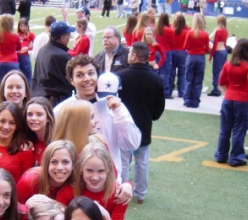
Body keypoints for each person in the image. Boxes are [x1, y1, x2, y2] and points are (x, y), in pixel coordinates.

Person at [54, 54, 141, 184]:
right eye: (80, 75)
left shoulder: (115, 106)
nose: (87, 79)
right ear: (71, 80)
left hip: (108, 180)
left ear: (97, 76)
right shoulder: (61, 110)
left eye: (91, 73)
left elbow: (132, 144)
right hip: (74, 181)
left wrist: (119, 112)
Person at [117, 42, 165, 204]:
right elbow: (159, 109)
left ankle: (121, 190)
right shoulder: (156, 79)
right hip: (144, 126)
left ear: (134, 56)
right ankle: (140, 194)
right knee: (142, 163)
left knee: (123, 162)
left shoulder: (121, 77)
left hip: (123, 127)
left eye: (130, 53)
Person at [56, 142, 128, 220]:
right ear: (81, 168)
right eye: (89, 170)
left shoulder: (119, 194)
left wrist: (105, 216)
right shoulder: (68, 191)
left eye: (101, 171)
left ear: (108, 169)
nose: (95, 177)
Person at [214, 39, 248, 167]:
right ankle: (236, 158)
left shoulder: (228, 64)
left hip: (228, 99)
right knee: (239, 130)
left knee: (225, 130)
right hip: (242, 100)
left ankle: (221, 155)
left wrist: (229, 87)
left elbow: (221, 80)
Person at [0, 101, 34, 182]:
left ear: (17, 126)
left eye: (12, 123)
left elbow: (27, 182)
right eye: (2, 121)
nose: (6, 127)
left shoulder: (25, 150)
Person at [31, 21, 75, 107]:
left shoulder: (43, 50)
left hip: (40, 97)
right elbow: (71, 82)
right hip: (56, 101)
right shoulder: (61, 56)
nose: (69, 37)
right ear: (62, 38)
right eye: (68, 35)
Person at [183, 13, 209, 108]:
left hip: (191, 56)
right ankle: (195, 101)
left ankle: (187, 100)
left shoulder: (190, 33)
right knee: (198, 80)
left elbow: (185, 46)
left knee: (189, 79)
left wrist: (191, 48)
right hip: (200, 57)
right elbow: (207, 49)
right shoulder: (205, 34)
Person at [24, 96, 55, 166]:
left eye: (39, 114)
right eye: (30, 114)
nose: (33, 118)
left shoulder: (56, 143)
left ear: (48, 118)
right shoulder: (26, 142)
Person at [0, 14, 21, 91]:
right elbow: (19, 48)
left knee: (0, 83)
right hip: (13, 61)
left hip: (1, 61)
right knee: (13, 84)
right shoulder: (15, 35)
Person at [208, 15, 228, 97]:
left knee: (216, 71)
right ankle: (220, 88)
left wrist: (211, 55)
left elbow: (215, 44)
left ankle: (216, 90)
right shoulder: (225, 31)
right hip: (224, 51)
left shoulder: (218, 31)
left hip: (218, 52)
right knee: (221, 71)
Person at [155, 13, 174, 99]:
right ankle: (165, 91)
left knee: (157, 71)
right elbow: (172, 42)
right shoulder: (169, 30)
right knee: (165, 72)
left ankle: (156, 89)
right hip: (166, 51)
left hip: (157, 51)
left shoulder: (156, 29)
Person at [170, 13, 188, 98]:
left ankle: (169, 90)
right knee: (182, 73)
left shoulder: (172, 30)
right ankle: (182, 91)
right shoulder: (186, 32)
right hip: (182, 52)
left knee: (171, 72)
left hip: (173, 51)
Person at [17, 18, 35, 84]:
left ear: (27, 26)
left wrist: (27, 48)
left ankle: (29, 89)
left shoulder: (30, 34)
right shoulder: (17, 34)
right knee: (17, 73)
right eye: (21, 26)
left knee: (27, 73)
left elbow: (36, 46)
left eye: (24, 26)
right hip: (16, 56)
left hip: (25, 56)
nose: (22, 28)